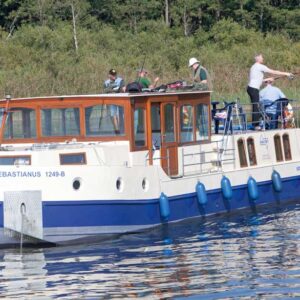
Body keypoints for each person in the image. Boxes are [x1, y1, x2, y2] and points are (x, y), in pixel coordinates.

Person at [247, 53, 292, 129]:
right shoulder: (260, 66)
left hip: (250, 88)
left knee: (256, 105)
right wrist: (286, 73)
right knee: (256, 106)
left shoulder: (253, 67)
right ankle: (256, 125)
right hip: (254, 89)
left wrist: (267, 80)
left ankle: (256, 124)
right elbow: (273, 71)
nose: (263, 58)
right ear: (257, 58)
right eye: (262, 57)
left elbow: (256, 80)